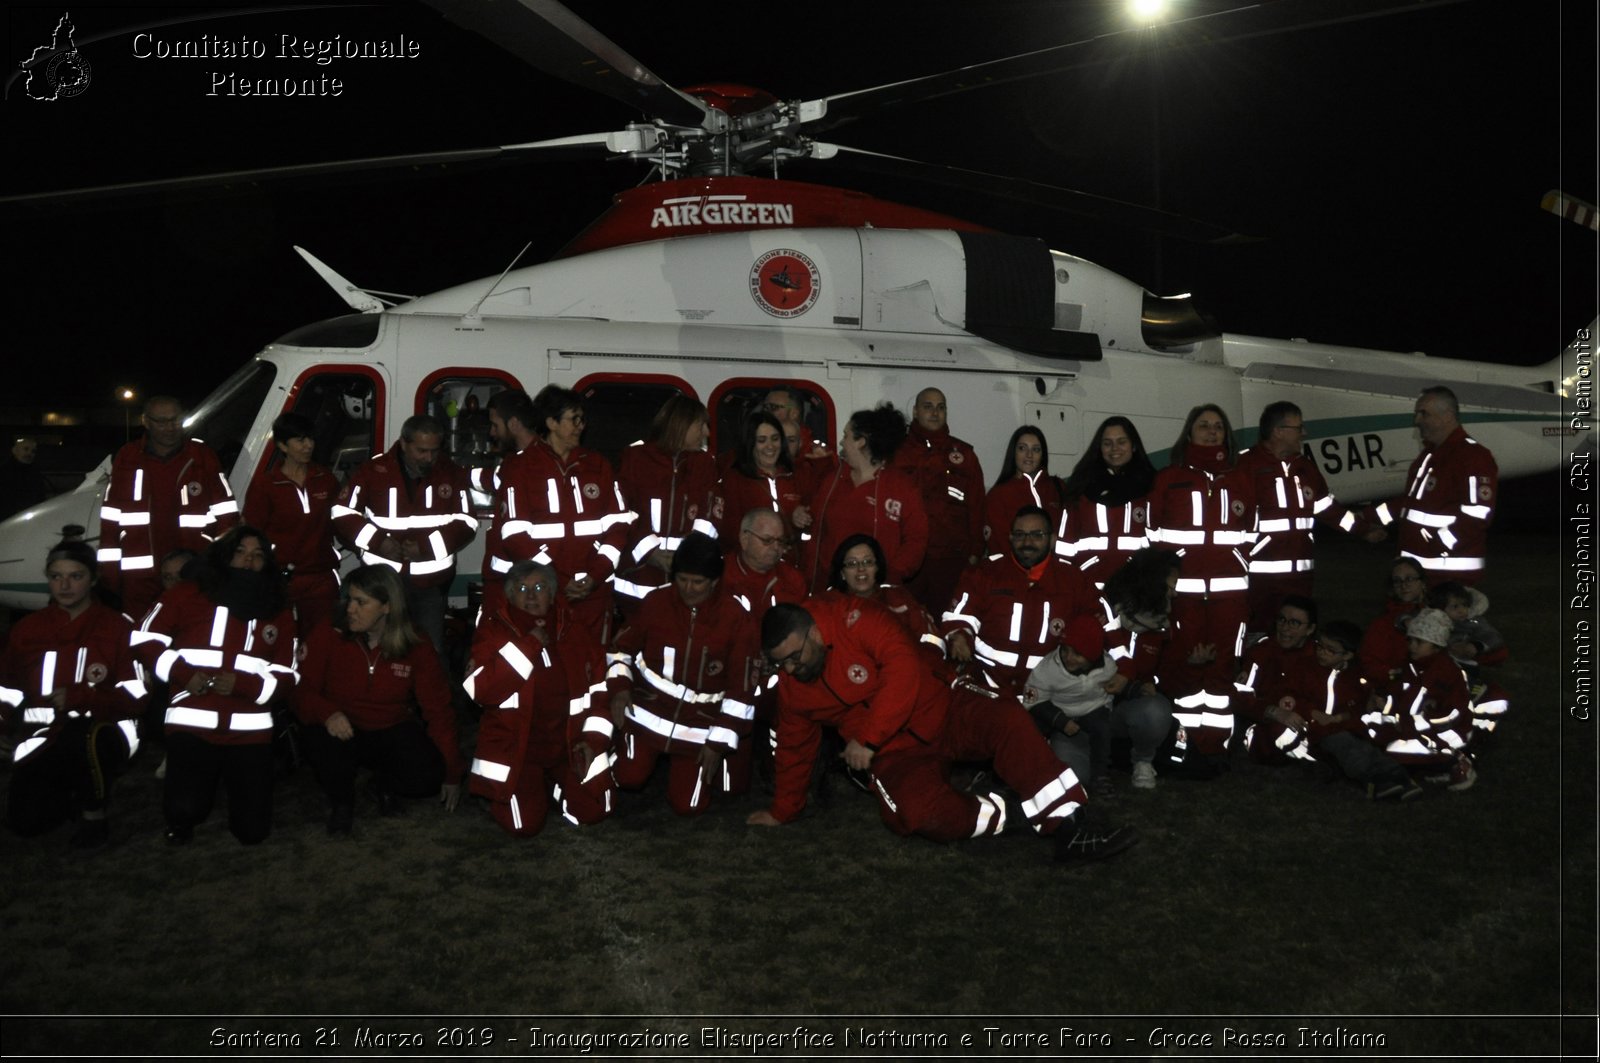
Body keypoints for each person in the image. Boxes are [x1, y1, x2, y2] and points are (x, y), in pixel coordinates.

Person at [750, 599, 1135, 866]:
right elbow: (794, 747)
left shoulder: (856, 618)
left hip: (941, 705)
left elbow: (903, 671)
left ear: (814, 633)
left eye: (794, 657)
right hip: (896, 752)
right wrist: (783, 811)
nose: (789, 669)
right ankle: (1009, 813)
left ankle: (1072, 825)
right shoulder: (794, 687)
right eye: (779, 663)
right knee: (917, 816)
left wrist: (867, 738)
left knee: (1008, 719)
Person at [131, 526, 296, 845]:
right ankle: (186, 811)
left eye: (257, 556)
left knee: (253, 833)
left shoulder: (279, 608)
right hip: (193, 724)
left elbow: (288, 675)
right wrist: (182, 673)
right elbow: (144, 639)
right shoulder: (188, 593)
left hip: (249, 729)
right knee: (184, 809)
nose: (248, 561)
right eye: (240, 553)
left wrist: (244, 685)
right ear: (224, 556)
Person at [296, 564, 464, 834]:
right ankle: (342, 803)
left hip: (389, 727)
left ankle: (382, 784)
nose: (350, 608)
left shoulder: (415, 644)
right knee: (322, 743)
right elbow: (301, 689)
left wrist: (452, 773)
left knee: (429, 776)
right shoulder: (330, 632)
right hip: (341, 726)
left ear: (387, 607)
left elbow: (439, 711)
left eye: (361, 602)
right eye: (349, 599)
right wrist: (327, 713)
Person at [0, 541, 143, 847]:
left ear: (93, 578)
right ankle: (72, 792)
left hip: (105, 730)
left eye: (75, 576)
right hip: (44, 735)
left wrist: (83, 698)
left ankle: (95, 816)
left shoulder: (117, 627)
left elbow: (138, 697)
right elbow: (7, 686)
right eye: (56, 576)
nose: (64, 585)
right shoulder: (27, 629)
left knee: (82, 736)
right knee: (25, 823)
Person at [608, 533, 761, 815]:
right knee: (628, 777)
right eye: (682, 579)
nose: (688, 588)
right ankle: (625, 754)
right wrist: (619, 688)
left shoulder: (738, 620)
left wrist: (717, 742)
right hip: (647, 709)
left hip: (699, 721)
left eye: (698, 582)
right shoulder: (655, 602)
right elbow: (619, 648)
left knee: (689, 806)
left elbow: (742, 691)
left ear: (715, 582)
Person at [465, 561, 615, 837]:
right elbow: (479, 690)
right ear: (510, 595)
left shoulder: (574, 630)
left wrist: (593, 741)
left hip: (568, 745)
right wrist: (530, 645)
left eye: (540, 588)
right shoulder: (493, 631)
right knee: (524, 827)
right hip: (519, 752)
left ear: (553, 593)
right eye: (522, 589)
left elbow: (600, 694)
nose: (532, 596)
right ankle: (525, 792)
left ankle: (554, 789)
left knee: (595, 812)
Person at [1145, 404, 1256, 765]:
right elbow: (1153, 535)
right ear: (1189, 433)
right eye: (1203, 426)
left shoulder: (1240, 479)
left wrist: (1238, 564)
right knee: (1186, 665)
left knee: (1222, 669)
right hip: (1184, 594)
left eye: (1218, 427)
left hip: (1230, 595)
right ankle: (1184, 746)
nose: (1211, 432)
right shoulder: (1168, 478)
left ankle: (1215, 749)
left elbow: (1253, 533)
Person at [483, 387, 632, 642]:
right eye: (573, 419)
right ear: (551, 422)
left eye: (582, 419)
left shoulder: (598, 465)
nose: (580, 426)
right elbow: (515, 536)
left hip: (594, 596)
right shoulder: (521, 468)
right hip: (545, 597)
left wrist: (595, 577)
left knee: (591, 666)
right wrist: (558, 581)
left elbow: (618, 527)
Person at [332, 414, 477, 652]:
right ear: (403, 443)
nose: (428, 458)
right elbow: (342, 513)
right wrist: (379, 543)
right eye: (421, 451)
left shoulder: (449, 473)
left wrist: (426, 548)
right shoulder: (373, 471)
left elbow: (467, 522)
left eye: (434, 451)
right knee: (382, 650)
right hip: (381, 585)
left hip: (431, 586)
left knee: (429, 651)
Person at [98, 395, 239, 620]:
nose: (170, 428)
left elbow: (227, 515)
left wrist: (219, 567)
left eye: (175, 420)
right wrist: (110, 581)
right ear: (146, 421)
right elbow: (110, 521)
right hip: (139, 582)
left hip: (193, 574)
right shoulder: (127, 458)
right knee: (139, 642)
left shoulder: (202, 456)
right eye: (161, 422)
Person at [943, 505, 1101, 699]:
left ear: (1052, 540)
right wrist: (960, 634)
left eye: (1037, 535)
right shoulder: (985, 572)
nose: (1027, 542)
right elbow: (960, 614)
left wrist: (1123, 667)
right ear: (1010, 538)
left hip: (1046, 694)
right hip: (986, 685)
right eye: (1020, 535)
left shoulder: (1074, 580)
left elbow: (1104, 623)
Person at [1256, 619, 1422, 800]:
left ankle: (1398, 776)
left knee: (1362, 747)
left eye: (1330, 650)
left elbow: (1358, 707)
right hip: (1315, 730)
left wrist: (1341, 718)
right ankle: (1376, 780)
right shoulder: (1304, 668)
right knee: (1347, 748)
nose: (1322, 653)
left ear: (1348, 655)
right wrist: (1312, 712)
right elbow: (1288, 696)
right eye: (1320, 646)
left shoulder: (1355, 678)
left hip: (1342, 727)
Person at [1235, 401, 1359, 634]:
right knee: (1260, 637)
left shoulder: (1306, 468)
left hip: (1300, 580)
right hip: (1260, 583)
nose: (1304, 433)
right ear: (1278, 431)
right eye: (1298, 427)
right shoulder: (1246, 466)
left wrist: (1363, 529)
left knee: (1297, 640)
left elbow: (1328, 510)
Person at [1366, 386, 1499, 585]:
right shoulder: (1429, 455)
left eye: (1423, 413)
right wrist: (1368, 518)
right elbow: (1409, 504)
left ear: (1447, 416)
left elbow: (1478, 514)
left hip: (1449, 579)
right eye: (1417, 414)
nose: (1416, 421)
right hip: (1417, 574)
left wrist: (1437, 543)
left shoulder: (1472, 457)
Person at [795, 403, 927, 594]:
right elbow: (814, 527)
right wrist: (800, 516)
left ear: (861, 441)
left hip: (876, 593)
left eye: (846, 435)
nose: (841, 442)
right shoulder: (833, 479)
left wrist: (889, 576)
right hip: (829, 591)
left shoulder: (901, 487)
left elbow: (916, 541)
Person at [615, 395, 719, 611]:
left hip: (686, 580)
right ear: (682, 424)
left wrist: (690, 560)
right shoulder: (636, 458)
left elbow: (710, 517)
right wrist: (650, 552)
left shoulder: (705, 464)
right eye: (702, 425)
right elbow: (623, 512)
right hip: (639, 577)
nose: (706, 433)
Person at [243, 412, 341, 631]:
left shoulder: (325, 480)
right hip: (281, 580)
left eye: (311, 439)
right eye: (300, 440)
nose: (308, 446)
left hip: (321, 578)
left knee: (322, 639)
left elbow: (342, 523)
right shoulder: (266, 485)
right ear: (282, 446)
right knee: (280, 637)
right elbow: (252, 532)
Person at [1097, 548, 1185, 788]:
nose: (1175, 593)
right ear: (1152, 583)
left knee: (1156, 711)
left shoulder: (1164, 626)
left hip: (1130, 710)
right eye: (1171, 585)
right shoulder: (1105, 615)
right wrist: (1130, 685)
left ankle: (1143, 761)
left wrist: (1186, 666)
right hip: (1089, 708)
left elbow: (1166, 677)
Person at [1362, 608, 1476, 792]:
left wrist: (1410, 725)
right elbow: (1399, 694)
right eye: (1410, 640)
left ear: (1436, 645)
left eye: (1419, 642)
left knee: (1401, 750)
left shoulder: (1447, 673)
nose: (1412, 646)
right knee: (1373, 732)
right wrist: (1383, 704)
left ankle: (1454, 762)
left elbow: (1453, 713)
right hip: (1410, 727)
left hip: (1443, 732)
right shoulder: (1410, 667)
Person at [894, 387, 986, 613]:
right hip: (907, 560)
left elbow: (977, 507)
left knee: (947, 626)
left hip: (950, 562)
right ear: (915, 411)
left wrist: (975, 553)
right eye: (928, 407)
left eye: (941, 407)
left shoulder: (964, 456)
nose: (935, 412)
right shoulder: (896, 452)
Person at [1019, 615, 1120, 796]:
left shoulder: (1109, 666)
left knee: (1102, 730)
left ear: (1093, 654)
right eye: (1065, 650)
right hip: (1055, 711)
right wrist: (1059, 720)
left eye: (1078, 654)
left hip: (1093, 710)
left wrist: (1134, 687)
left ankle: (1100, 775)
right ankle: (1026, 768)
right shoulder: (1048, 668)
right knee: (1029, 727)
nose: (1069, 658)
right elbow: (1033, 700)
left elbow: (1118, 683)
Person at [829, 533, 947, 672]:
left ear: (877, 567)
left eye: (868, 562)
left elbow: (933, 643)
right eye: (852, 563)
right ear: (842, 573)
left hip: (905, 674)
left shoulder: (898, 598)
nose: (861, 569)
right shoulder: (830, 605)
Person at [1059, 416, 1155, 586]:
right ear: (1099, 448)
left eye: (1121, 442)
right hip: (1090, 589)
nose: (1114, 448)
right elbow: (1065, 547)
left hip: (1139, 591)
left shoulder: (1152, 486)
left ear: (1133, 446)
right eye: (1107, 443)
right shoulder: (1082, 486)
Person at [1231, 595, 1325, 762]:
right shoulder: (1261, 652)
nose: (1284, 628)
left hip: (1308, 720)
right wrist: (1271, 711)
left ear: (1310, 629)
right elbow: (1239, 696)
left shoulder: (1320, 657)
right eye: (1281, 620)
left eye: (1294, 623)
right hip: (1265, 721)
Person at [714, 412, 812, 548]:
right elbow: (730, 531)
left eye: (775, 439)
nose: (770, 446)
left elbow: (814, 523)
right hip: (751, 562)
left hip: (790, 562)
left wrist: (799, 519)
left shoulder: (795, 474)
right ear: (750, 443)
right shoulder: (734, 478)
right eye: (761, 440)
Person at [982, 426, 1063, 551]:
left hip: (1057, 569)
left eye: (1036, 449)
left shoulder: (1058, 487)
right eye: (1022, 448)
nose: (1029, 455)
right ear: (1013, 452)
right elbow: (1000, 547)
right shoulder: (998, 495)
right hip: (1015, 569)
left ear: (1043, 455)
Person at [1361, 556, 1429, 690]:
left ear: (1422, 582)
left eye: (1410, 579)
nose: (1404, 585)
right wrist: (1396, 676)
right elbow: (1369, 663)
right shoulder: (1383, 623)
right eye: (1397, 581)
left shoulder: (1438, 613)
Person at [721, 508, 806, 613]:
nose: (775, 547)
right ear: (745, 539)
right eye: (767, 540)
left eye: (780, 541)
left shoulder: (792, 579)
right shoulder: (719, 575)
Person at [0, 436, 53, 520]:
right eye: (26, 449)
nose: (29, 454)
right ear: (14, 450)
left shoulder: (35, 473)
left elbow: (40, 496)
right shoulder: (4, 472)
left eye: (33, 451)